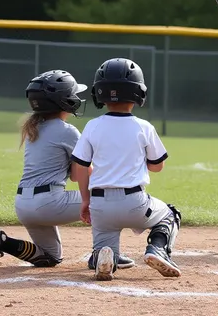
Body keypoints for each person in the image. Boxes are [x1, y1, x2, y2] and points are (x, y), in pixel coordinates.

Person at [0, 70, 135, 270]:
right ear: (64, 101)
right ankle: (107, 252)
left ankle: (0, 240)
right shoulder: (67, 131)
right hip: (49, 203)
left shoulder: (34, 127)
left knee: (50, 256)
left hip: (23, 205)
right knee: (108, 200)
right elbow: (79, 175)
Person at [71, 58, 182, 281]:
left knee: (104, 245)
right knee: (170, 214)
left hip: (100, 206)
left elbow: (80, 166)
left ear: (99, 92)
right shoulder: (144, 127)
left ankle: (104, 257)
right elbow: (158, 166)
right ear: (138, 92)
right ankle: (157, 249)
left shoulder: (92, 126)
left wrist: (86, 200)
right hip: (135, 203)